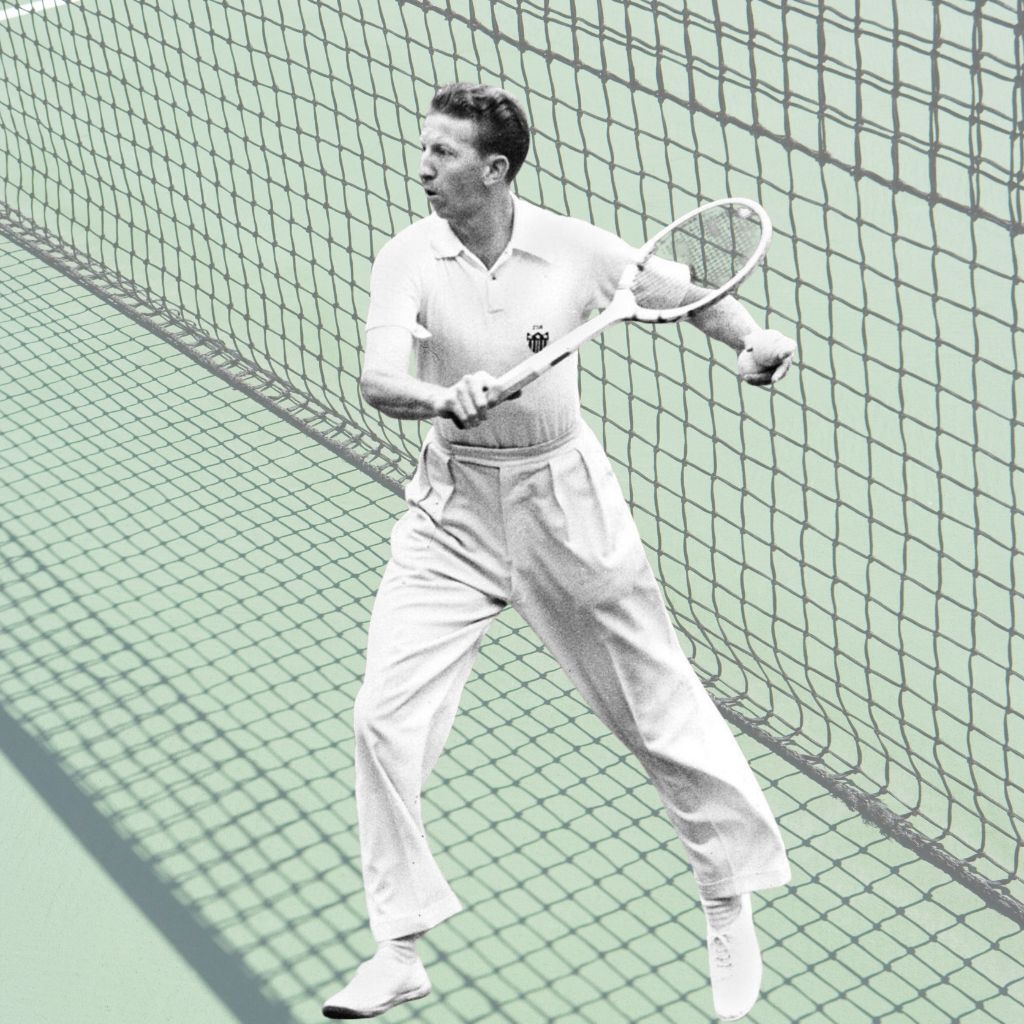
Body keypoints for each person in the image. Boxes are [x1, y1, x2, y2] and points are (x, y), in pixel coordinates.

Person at [321, 82, 795, 1022]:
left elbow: (691, 297)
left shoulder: (575, 250)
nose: (423, 167)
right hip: (452, 510)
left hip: (563, 502)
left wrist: (751, 341)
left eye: (443, 153)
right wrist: (441, 397)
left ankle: (727, 897)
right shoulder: (409, 256)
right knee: (382, 719)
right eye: (424, 148)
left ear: (494, 170)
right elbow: (378, 376)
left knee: (658, 704)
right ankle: (398, 949)